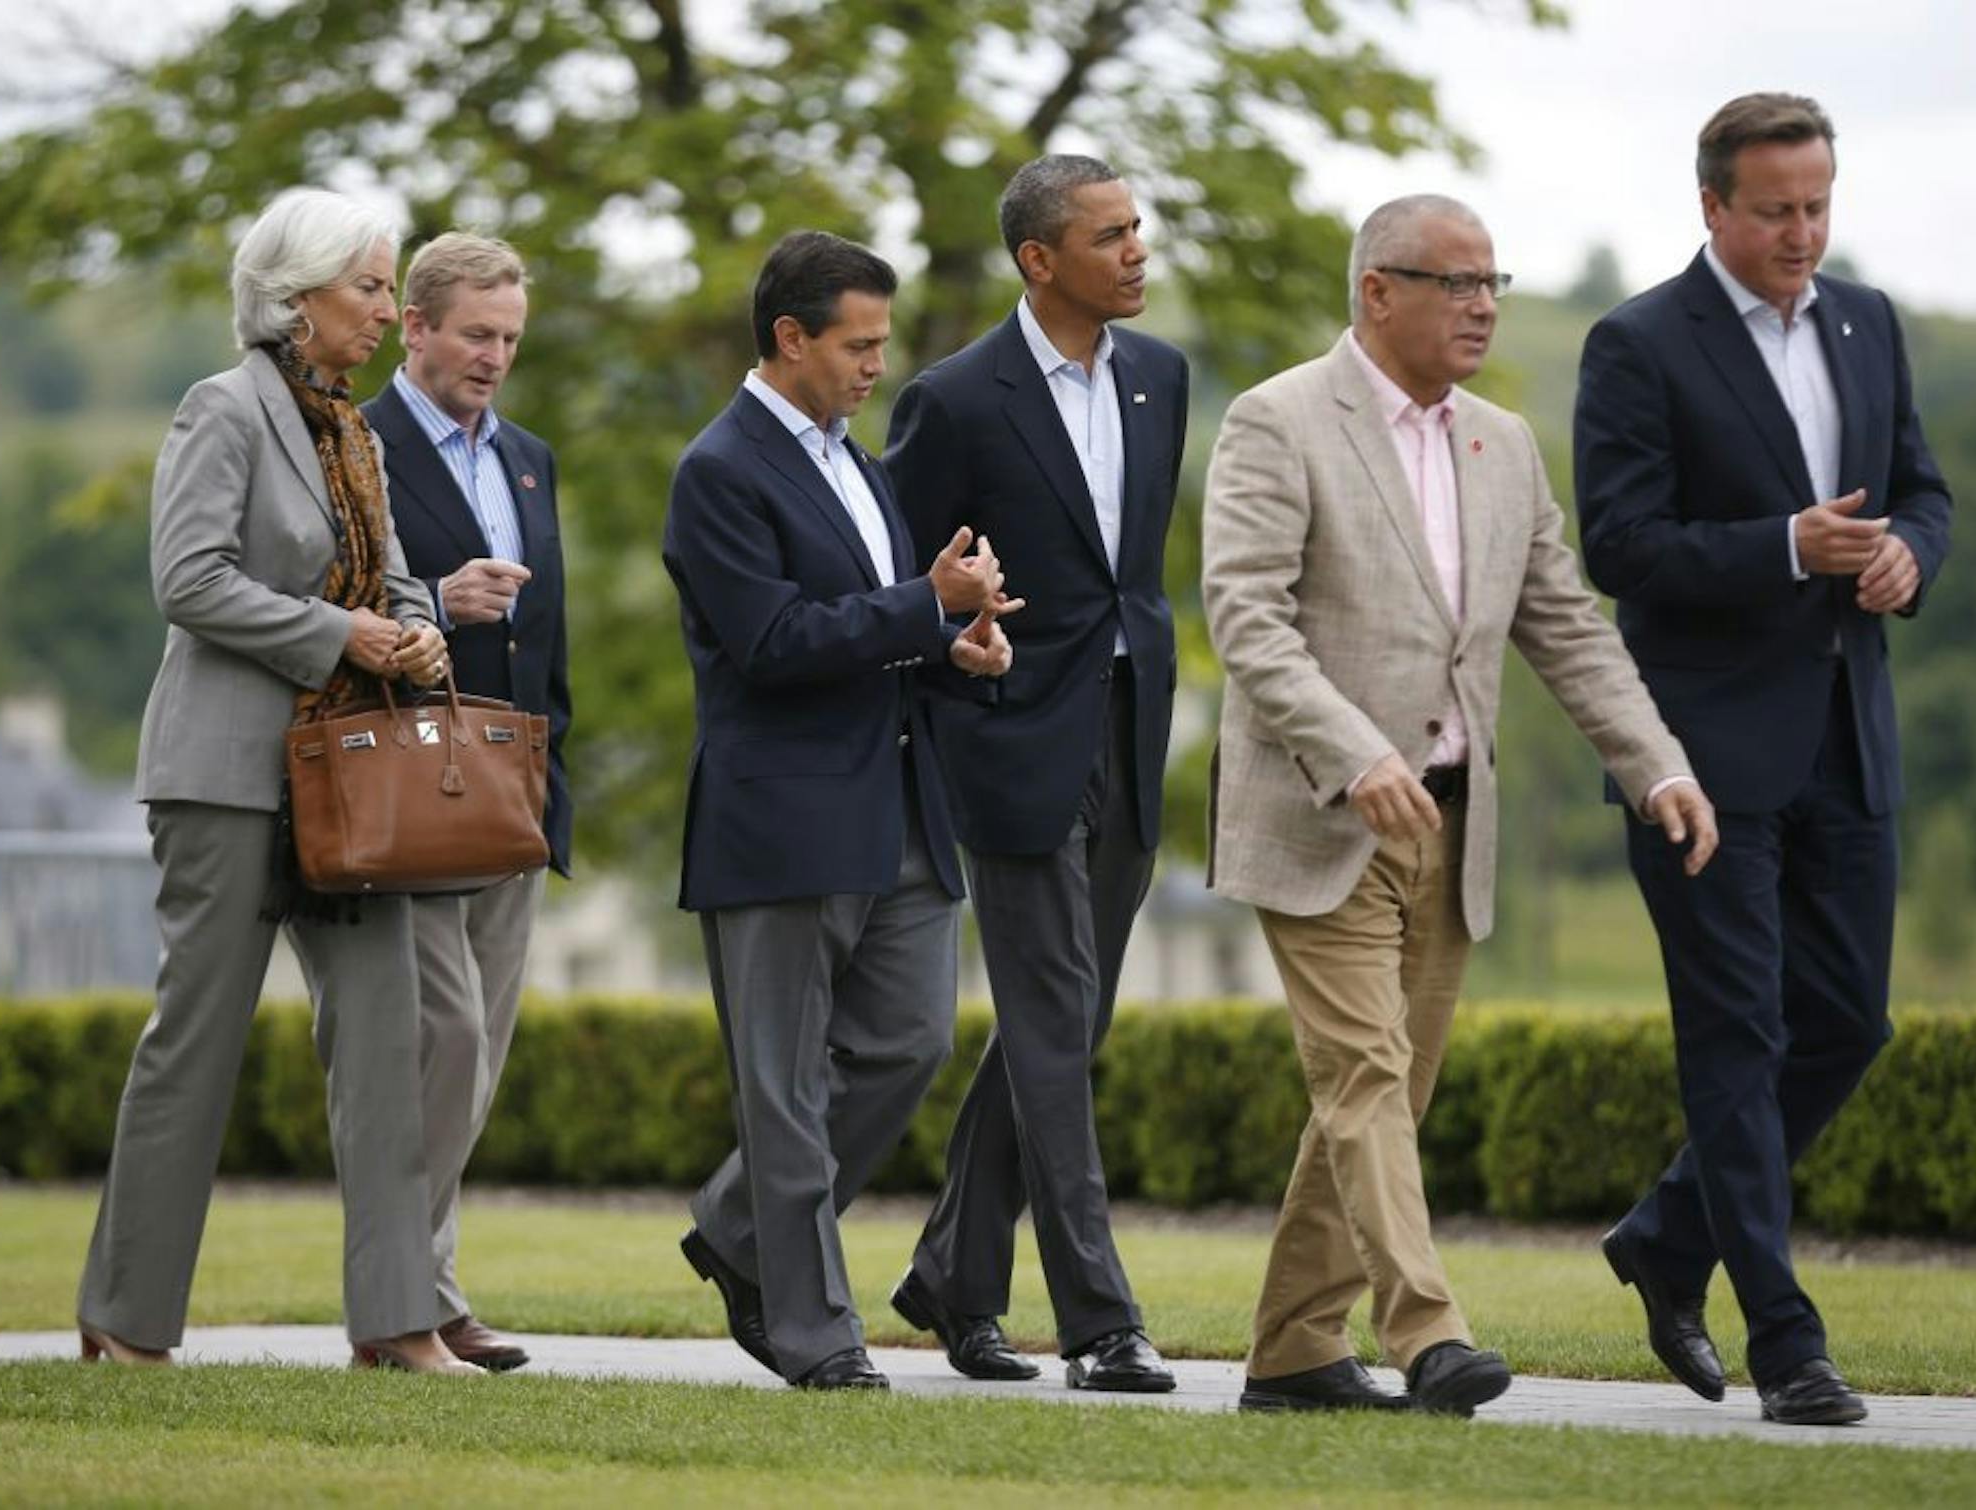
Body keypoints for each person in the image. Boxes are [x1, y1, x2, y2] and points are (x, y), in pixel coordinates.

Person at [1202, 195, 1715, 1415]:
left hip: (1451, 824)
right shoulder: (1276, 420)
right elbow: (1246, 617)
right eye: (1457, 282)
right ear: (1378, 290)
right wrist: (1350, 748)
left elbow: (1567, 626)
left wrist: (1657, 762)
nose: (1484, 305)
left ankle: (1289, 1353)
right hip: (1320, 818)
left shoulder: (1500, 444)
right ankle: (1430, 1332)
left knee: (1383, 1095)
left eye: (1493, 282)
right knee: (1368, 1077)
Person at [1573, 92, 1952, 1427]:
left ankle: (1668, 1239)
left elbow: (1922, 486)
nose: (1804, 232)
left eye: (1819, 205)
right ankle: (1787, 1341)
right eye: (1778, 209)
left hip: (1850, 739)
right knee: (1738, 1037)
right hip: (1698, 755)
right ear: (1714, 206)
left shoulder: (1868, 321)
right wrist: (1785, 544)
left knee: (1848, 1023)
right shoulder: (1637, 345)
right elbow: (1618, 545)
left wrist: (1911, 551)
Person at [76, 187, 470, 1374]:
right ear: (295, 301)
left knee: (388, 1046)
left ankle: (398, 1324)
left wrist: (415, 631)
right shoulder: (223, 410)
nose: (388, 310)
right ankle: (128, 1322)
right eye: (369, 288)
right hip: (229, 777)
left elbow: (393, 579)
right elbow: (186, 581)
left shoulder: (353, 429)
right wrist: (334, 635)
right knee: (194, 1046)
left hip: (354, 785)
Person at [662, 230, 1015, 1391]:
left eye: (883, 342)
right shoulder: (719, 471)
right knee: (785, 1086)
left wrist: (954, 643)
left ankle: (733, 1224)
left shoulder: (856, 463)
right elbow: (770, 645)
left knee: (909, 1042)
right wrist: (925, 601)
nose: (878, 364)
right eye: (857, 345)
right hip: (782, 822)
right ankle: (817, 1335)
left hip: (903, 811)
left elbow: (878, 624)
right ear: (790, 339)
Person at [883, 154, 1188, 1393]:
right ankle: (1101, 1319)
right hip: (1009, 739)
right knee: (1056, 1024)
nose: (1136, 251)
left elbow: (1133, 576)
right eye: (1110, 235)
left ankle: (954, 1276)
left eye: (1138, 229)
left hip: (1128, 726)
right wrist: (962, 651)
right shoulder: (952, 400)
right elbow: (904, 584)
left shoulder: (1162, 378)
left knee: (1061, 1023)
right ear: (1038, 260)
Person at [358, 232, 570, 1372]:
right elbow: (330, 599)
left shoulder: (529, 456)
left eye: (510, 338)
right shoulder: (364, 444)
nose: (495, 357)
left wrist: (557, 780)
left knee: (477, 1055)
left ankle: (430, 1288)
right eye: (478, 335)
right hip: (403, 786)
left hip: (511, 790)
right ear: (416, 325)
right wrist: (433, 601)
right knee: (443, 1042)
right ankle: (408, 1297)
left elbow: (553, 639)